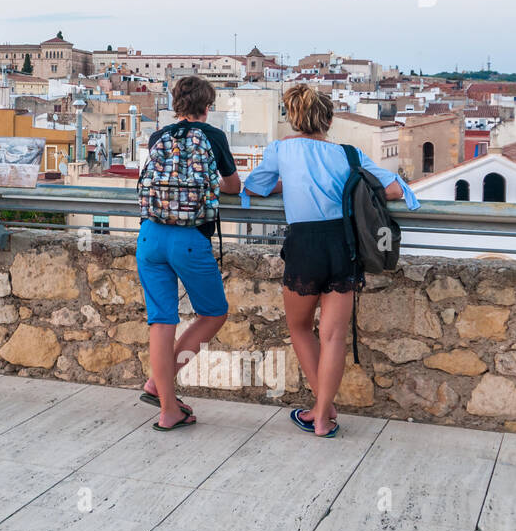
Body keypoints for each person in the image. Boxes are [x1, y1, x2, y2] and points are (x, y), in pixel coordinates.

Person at [241, 85, 418, 437]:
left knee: (300, 328)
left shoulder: (282, 149)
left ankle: (323, 406)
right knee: (334, 336)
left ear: (292, 118)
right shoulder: (348, 154)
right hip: (344, 244)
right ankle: (323, 416)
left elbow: (254, 187)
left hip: (305, 244)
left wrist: (288, 184)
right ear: (329, 119)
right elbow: (396, 190)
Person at [136, 76, 242, 431]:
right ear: (207, 107)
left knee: (161, 320)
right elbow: (232, 185)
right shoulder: (213, 137)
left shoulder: (158, 137)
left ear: (176, 104)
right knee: (213, 313)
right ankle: (161, 384)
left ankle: (167, 405)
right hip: (189, 238)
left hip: (150, 235)